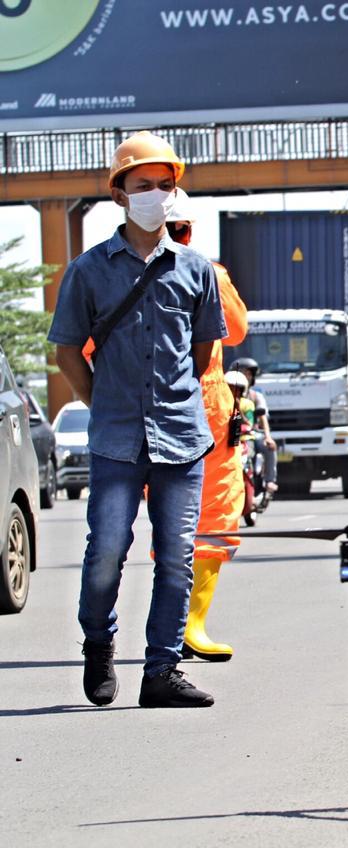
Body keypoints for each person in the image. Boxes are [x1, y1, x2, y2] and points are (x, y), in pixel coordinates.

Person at [49, 131, 226, 708]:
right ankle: (98, 645)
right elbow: (67, 349)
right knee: (106, 550)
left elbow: (200, 356)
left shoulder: (196, 271)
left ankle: (161, 673)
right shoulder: (88, 270)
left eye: (164, 185)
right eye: (142, 184)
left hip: (181, 434)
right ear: (120, 194)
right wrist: (103, 400)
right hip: (116, 436)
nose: (154, 193)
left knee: (176, 557)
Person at [164, 191, 249, 663]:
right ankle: (191, 623)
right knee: (214, 515)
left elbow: (88, 350)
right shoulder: (207, 273)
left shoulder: (108, 272)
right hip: (205, 404)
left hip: (147, 409)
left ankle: (169, 625)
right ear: (188, 229)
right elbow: (235, 330)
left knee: (167, 519)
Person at [230, 357, 277, 493]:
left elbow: (260, 419)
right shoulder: (225, 395)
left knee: (267, 446)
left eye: (249, 374)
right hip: (230, 433)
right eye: (243, 373)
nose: (247, 377)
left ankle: (269, 480)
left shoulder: (255, 397)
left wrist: (268, 437)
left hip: (250, 433)